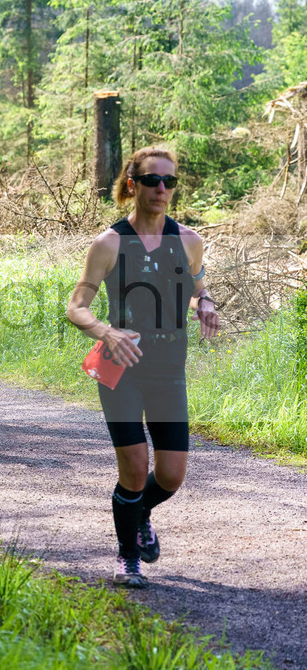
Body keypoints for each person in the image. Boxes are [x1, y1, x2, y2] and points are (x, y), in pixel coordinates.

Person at [66, 147, 219, 589]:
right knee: (134, 467)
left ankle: (141, 513)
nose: (162, 189)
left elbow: (196, 284)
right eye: (153, 181)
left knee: (170, 475)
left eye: (170, 182)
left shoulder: (188, 240)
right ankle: (128, 556)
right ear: (133, 184)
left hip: (170, 368)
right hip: (122, 367)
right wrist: (105, 332)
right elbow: (77, 306)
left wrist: (204, 302)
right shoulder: (109, 243)